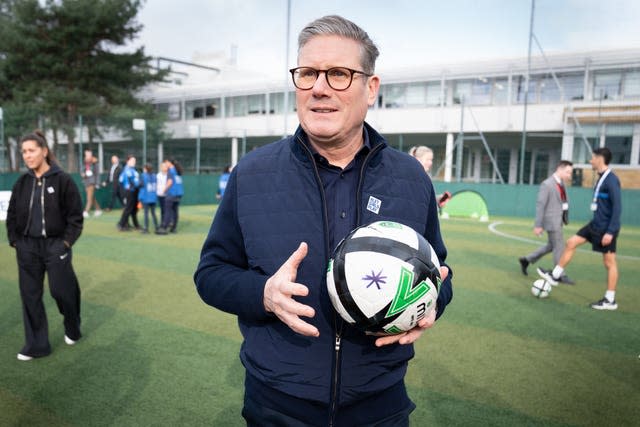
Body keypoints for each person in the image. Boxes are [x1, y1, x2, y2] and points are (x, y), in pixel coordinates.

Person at [194, 15, 453, 426]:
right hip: (277, 406)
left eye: (338, 74)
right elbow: (210, 274)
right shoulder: (253, 173)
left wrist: (432, 302)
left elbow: (438, 269)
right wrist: (264, 294)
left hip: (379, 404)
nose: (318, 87)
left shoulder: (410, 177)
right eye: (308, 73)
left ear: (371, 88)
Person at [6, 130, 83, 361]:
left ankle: (72, 325)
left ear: (44, 151)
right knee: (30, 296)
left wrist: (65, 243)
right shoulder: (22, 182)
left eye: (31, 151)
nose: (27, 156)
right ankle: (37, 345)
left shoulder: (63, 180)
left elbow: (75, 217)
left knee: (62, 291)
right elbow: (11, 214)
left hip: (55, 245)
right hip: (27, 247)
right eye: (24, 152)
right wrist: (15, 240)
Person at [538, 148, 622, 310]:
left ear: (600, 159)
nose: (590, 161)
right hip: (595, 224)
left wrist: (610, 232)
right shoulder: (601, 178)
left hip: (605, 228)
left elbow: (617, 208)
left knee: (609, 262)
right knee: (571, 242)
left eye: (592, 158)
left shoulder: (611, 180)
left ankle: (610, 300)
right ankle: (555, 276)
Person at [519, 160, 574, 284]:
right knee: (559, 247)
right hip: (552, 221)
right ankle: (559, 274)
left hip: (559, 220)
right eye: (567, 172)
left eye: (570, 173)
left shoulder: (561, 183)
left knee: (551, 246)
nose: (569, 176)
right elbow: (540, 205)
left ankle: (526, 260)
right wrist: (538, 225)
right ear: (559, 169)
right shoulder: (547, 184)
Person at [156, 158, 184, 234]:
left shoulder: (171, 171)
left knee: (167, 211)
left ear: (169, 162)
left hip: (172, 193)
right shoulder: (177, 170)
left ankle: (164, 228)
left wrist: (164, 190)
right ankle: (174, 228)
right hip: (178, 194)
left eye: (166, 163)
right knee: (175, 211)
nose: (166, 164)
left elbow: (170, 182)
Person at [117, 155, 140, 231]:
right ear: (128, 161)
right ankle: (122, 224)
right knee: (128, 208)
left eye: (134, 161)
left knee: (134, 209)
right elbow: (131, 182)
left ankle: (135, 224)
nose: (134, 162)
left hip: (133, 191)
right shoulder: (127, 171)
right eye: (132, 161)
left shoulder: (133, 170)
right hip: (128, 192)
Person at [81, 149, 102, 218]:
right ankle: (98, 210)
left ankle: (86, 211)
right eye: (86, 154)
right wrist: (83, 174)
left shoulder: (95, 162)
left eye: (89, 154)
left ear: (91, 154)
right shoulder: (85, 162)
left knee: (89, 198)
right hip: (86, 182)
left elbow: (97, 174)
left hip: (92, 182)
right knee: (91, 197)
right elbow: (82, 171)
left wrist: (97, 183)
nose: (87, 155)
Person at [139, 164, 159, 234]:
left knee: (146, 214)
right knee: (153, 213)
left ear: (146, 169)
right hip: (153, 197)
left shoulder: (143, 176)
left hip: (146, 198)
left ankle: (146, 229)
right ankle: (157, 227)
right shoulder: (155, 176)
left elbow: (140, 185)